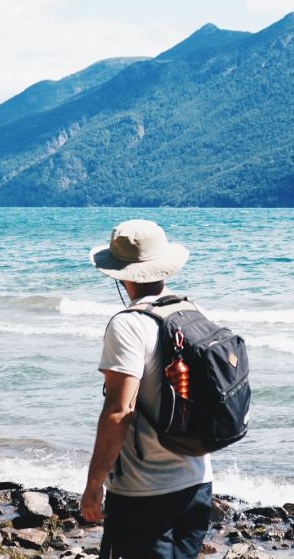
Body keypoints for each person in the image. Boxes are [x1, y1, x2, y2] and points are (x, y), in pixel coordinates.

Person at [81, 219, 213, 559]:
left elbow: (118, 412)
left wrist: (93, 486)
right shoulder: (191, 311)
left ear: (121, 275)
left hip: (144, 492)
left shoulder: (127, 325)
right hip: (198, 482)